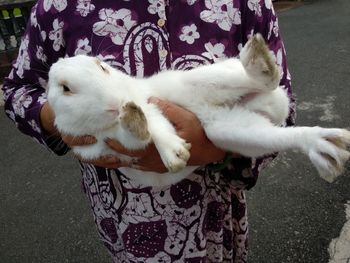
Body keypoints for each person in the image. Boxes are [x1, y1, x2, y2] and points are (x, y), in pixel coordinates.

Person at [2, 0, 295, 262]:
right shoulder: (59, 7)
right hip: (123, 223)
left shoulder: (246, 4)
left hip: (217, 221)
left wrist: (215, 147)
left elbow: (281, 106)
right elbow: (16, 90)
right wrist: (59, 117)